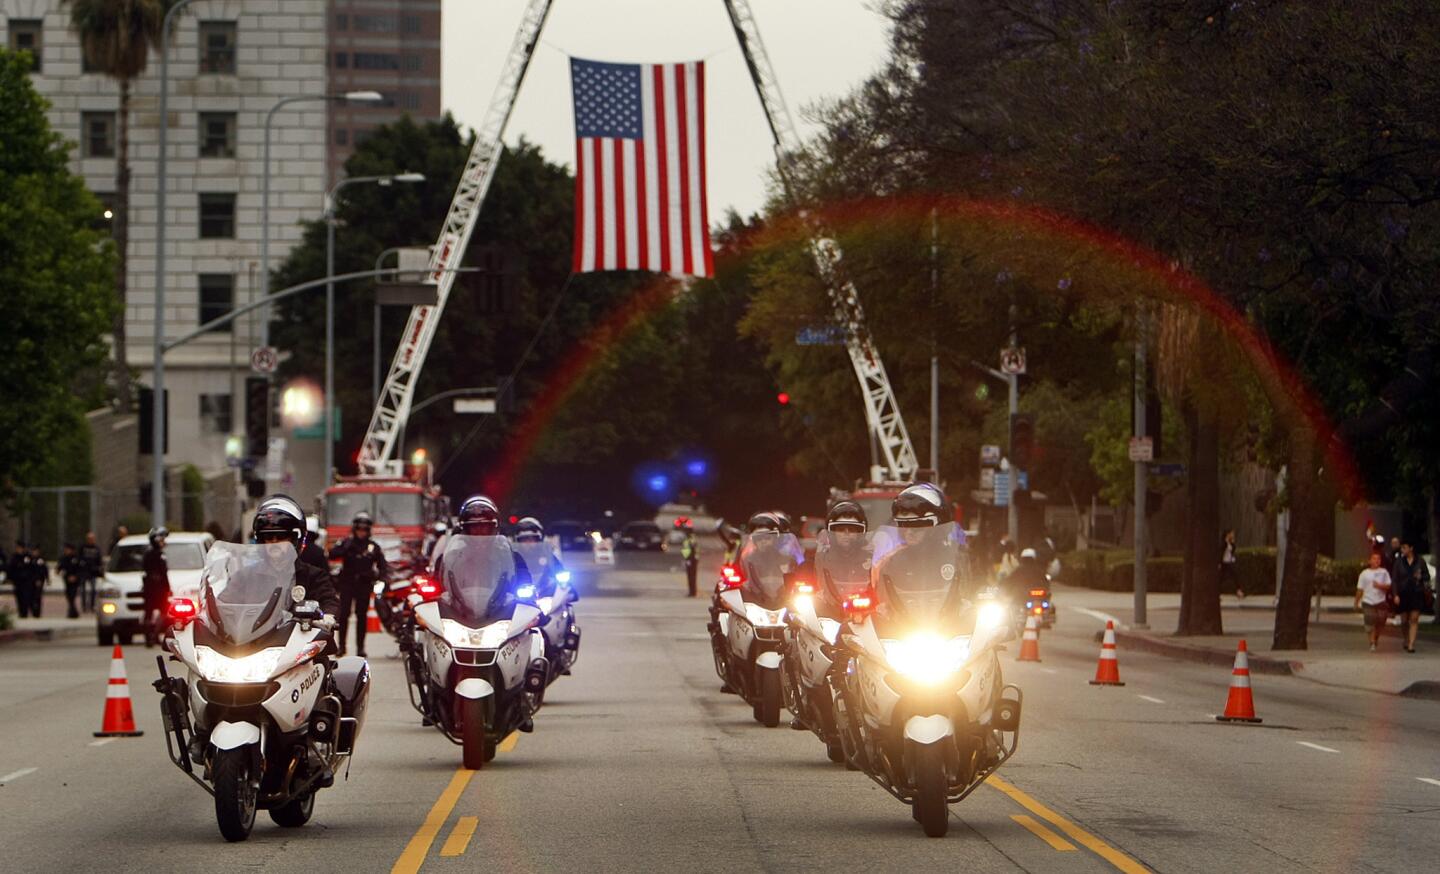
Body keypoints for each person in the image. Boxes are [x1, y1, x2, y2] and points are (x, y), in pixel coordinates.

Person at [328, 511, 389, 657]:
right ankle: (341, 646)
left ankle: (360, 648)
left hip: (364, 584)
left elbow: (383, 566)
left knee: (362, 616)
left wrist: (380, 579)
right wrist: (345, 547)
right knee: (343, 615)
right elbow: (332, 554)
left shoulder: (373, 547)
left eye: (364, 530)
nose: (361, 532)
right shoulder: (346, 543)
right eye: (359, 529)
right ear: (354, 529)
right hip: (347, 583)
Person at [1390, 538, 1431, 653]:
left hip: (1416, 592)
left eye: (1404, 547)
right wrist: (1395, 594)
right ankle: (1406, 638)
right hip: (1403, 593)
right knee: (1404, 620)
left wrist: (1421, 578)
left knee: (1414, 619)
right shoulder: (1399, 562)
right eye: (1401, 548)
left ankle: (1411, 644)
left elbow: (1427, 576)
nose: (1402, 550)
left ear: (1411, 548)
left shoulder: (1420, 561)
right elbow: (1395, 579)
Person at [1355, 551, 1393, 652]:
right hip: (1368, 601)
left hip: (1380, 600)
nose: (1376, 561)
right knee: (1370, 620)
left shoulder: (1384, 572)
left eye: (1378, 559)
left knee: (1381, 621)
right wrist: (1356, 602)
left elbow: (1389, 585)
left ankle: (1376, 637)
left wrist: (1379, 586)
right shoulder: (1364, 574)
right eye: (1374, 559)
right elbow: (1360, 589)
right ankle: (1371, 642)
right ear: (1370, 561)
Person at [141, 527, 170, 647]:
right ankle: (154, 633)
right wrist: (167, 588)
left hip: (148, 587)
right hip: (158, 588)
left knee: (148, 611)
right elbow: (163, 574)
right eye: (162, 540)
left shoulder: (147, 554)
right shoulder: (160, 555)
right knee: (163, 610)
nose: (164, 542)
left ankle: (150, 635)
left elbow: (145, 569)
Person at [8, 542, 35, 618]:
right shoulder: (14, 557)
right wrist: (10, 578)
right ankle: (21, 612)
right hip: (17, 581)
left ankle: (25, 613)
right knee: (19, 597)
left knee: (26, 597)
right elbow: (10, 569)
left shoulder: (27, 557)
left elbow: (32, 568)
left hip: (26, 581)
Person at [58, 543, 84, 619]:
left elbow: (80, 569)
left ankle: (72, 611)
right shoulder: (64, 558)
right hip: (67, 580)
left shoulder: (76, 558)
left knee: (72, 595)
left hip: (75, 581)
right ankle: (73, 611)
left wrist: (75, 577)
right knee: (68, 596)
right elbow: (60, 567)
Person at [80, 532, 103, 613]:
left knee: (93, 589)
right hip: (84, 571)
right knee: (83, 590)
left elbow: (99, 560)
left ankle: (92, 605)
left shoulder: (96, 549)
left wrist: (99, 568)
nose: (91, 540)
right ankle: (84, 606)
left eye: (92, 539)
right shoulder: (83, 548)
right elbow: (79, 558)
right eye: (89, 539)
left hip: (93, 572)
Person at [26, 543, 47, 618]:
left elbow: (44, 571)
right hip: (30, 581)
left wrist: (45, 579)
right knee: (29, 597)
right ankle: (32, 610)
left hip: (39, 581)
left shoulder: (41, 560)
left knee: (37, 597)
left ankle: (37, 613)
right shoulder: (28, 559)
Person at [679, 519, 699, 597]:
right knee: (690, 576)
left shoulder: (691, 539)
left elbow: (692, 550)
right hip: (690, 559)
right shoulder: (689, 539)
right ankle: (692, 591)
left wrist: (689, 560)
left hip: (692, 559)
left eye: (686, 531)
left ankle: (692, 592)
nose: (685, 532)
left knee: (692, 577)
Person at [1220, 529, 1240, 599]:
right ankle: (1217, 593)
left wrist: (1232, 542)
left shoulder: (1230, 543)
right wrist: (1219, 563)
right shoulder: (1223, 543)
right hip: (1224, 563)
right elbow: (1220, 553)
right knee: (1221, 579)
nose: (1233, 535)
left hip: (1229, 562)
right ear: (1228, 534)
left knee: (1235, 575)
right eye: (1231, 533)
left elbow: (1233, 551)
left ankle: (1238, 590)